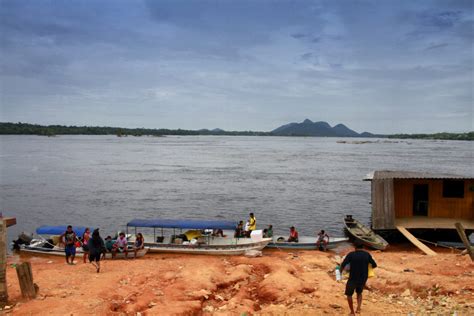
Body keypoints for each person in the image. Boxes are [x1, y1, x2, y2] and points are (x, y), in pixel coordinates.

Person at [340, 243, 378, 316]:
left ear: (355, 247)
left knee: (349, 295)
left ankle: (352, 312)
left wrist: (340, 273)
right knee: (359, 293)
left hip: (352, 278)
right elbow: (374, 265)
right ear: (363, 247)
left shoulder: (351, 254)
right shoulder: (367, 254)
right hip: (363, 278)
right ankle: (358, 308)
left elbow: (343, 264)